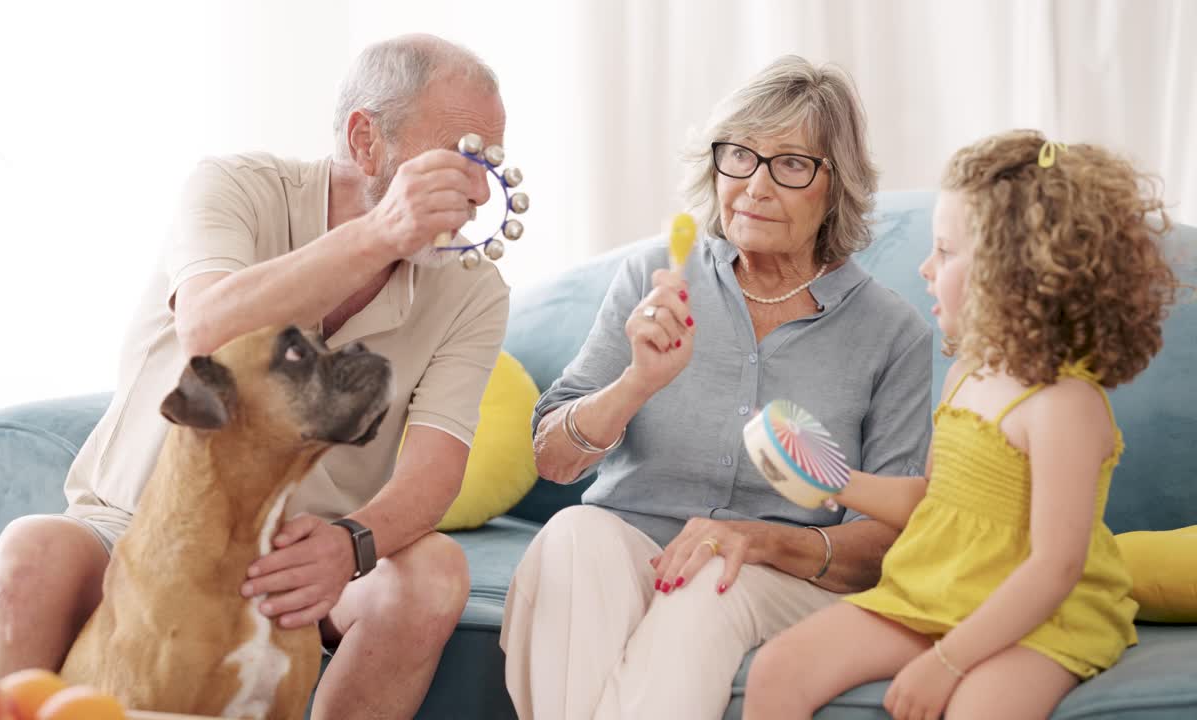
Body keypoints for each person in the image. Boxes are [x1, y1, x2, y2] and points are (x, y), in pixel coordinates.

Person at [0, 34, 510, 719]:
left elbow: (436, 467)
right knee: (30, 552)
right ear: (365, 141)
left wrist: (352, 542)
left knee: (432, 575)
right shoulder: (233, 187)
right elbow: (208, 329)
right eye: (459, 156)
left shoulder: (474, 287)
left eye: (488, 161)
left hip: (299, 553)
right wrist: (381, 233)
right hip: (136, 528)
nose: (477, 188)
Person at [500, 56, 932, 719]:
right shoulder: (656, 275)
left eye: (790, 165)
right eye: (740, 157)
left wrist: (757, 539)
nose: (755, 186)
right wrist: (635, 382)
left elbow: (886, 543)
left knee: (709, 583)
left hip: (778, 576)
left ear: (833, 186)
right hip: (630, 549)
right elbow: (554, 460)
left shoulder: (891, 333)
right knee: (573, 535)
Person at [743, 130, 1180, 719]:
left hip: (1039, 617)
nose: (924, 267)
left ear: (1016, 272)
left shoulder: (1065, 406)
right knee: (778, 669)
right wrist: (835, 481)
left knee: (979, 709)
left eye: (945, 251)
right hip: (941, 590)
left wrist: (948, 662)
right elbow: (934, 501)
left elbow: (1055, 568)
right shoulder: (966, 374)